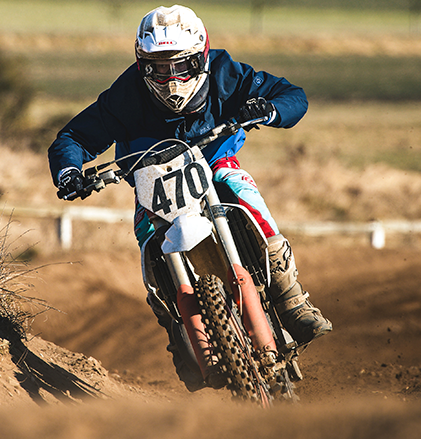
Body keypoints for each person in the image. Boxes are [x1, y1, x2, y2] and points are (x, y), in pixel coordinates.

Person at [48, 4, 332, 391]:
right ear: (141, 65)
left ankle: (290, 299)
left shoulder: (225, 72)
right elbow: (74, 137)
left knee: (246, 196)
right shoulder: (126, 94)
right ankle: (174, 328)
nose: (171, 78)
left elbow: (291, 95)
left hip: (216, 162)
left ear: (200, 56)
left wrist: (268, 108)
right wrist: (69, 171)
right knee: (149, 245)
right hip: (152, 179)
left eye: (181, 66)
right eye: (158, 69)